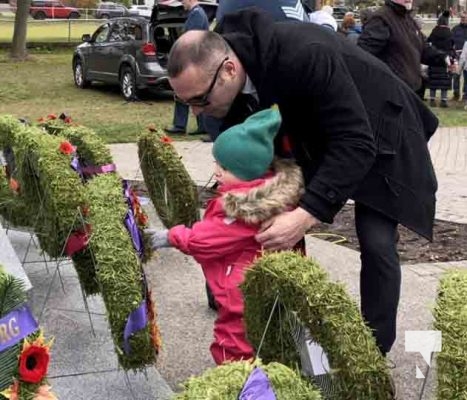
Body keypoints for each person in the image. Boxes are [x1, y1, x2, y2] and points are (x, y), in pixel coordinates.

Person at [166, 9, 440, 356]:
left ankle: (371, 352)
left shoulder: (303, 54)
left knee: (376, 240)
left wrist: (306, 213)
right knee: (266, 214)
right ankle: (240, 305)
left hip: (382, 130)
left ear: (229, 70)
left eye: (199, 101)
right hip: (319, 133)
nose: (196, 114)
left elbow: (355, 143)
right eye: (185, 102)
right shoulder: (231, 62)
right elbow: (256, 165)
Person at [148, 109, 304, 364]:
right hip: (259, 286)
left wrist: (169, 236)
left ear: (247, 172)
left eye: (225, 167)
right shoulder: (268, 192)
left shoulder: (243, 209)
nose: (216, 172)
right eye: (217, 164)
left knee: (233, 345)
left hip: (239, 293)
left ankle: (235, 381)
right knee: (261, 338)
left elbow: (202, 240)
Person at [358, 0, 449, 94]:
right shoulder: (380, 19)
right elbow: (363, 55)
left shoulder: (408, 19)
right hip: (392, 93)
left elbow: (422, 49)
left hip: (412, 90)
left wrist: (443, 58)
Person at [164, 0, 209, 135]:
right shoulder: (199, 13)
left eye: (183, 1)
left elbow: (190, 40)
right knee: (196, 92)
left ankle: (180, 125)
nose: (182, 3)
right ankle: (202, 126)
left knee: (182, 90)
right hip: (197, 60)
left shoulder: (196, 14)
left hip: (191, 60)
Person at [427, 13, 455, 108]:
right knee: (444, 79)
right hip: (445, 59)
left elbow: (428, 42)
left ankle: (432, 99)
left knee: (434, 79)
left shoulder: (434, 32)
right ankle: (443, 100)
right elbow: (452, 46)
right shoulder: (449, 33)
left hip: (434, 58)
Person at [451, 11, 467, 101]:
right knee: (456, 75)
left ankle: (465, 95)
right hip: (457, 55)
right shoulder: (455, 29)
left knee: (466, 77)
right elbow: (450, 41)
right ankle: (456, 94)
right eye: (462, 17)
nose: (463, 19)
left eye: (465, 18)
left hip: (466, 56)